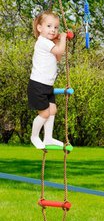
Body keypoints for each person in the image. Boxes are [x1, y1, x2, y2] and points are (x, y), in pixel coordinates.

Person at [27, 10, 67, 149]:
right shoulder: (43, 42)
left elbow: (58, 57)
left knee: (53, 110)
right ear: (40, 28)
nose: (53, 30)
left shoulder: (49, 43)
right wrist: (62, 39)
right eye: (49, 26)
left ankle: (48, 138)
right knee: (44, 113)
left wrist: (58, 41)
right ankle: (34, 136)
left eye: (56, 27)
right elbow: (60, 51)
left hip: (47, 85)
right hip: (37, 85)